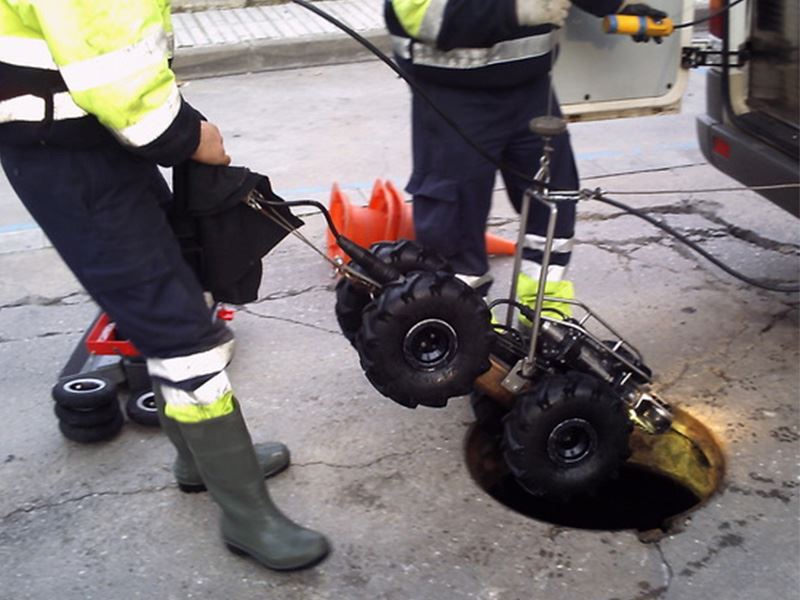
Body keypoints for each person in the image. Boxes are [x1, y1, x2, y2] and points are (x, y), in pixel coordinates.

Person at [0, 1, 329, 571]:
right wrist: (186, 135)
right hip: (70, 148)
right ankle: (247, 515)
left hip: (89, 133)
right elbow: (111, 56)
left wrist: (177, 120)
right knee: (181, 331)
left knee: (177, 288)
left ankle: (198, 462)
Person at [385, 0, 667, 315]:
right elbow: (420, 15)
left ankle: (544, 312)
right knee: (453, 216)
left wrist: (617, 6)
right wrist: (514, 11)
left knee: (554, 200)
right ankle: (461, 324)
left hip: (531, 89)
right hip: (452, 94)